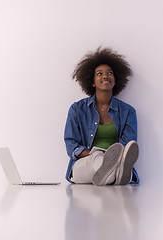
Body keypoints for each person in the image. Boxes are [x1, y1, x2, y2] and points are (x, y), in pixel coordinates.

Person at [64, 47, 139, 186]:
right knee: (97, 160)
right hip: (84, 165)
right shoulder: (77, 109)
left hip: (115, 161)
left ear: (115, 80)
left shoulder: (128, 112)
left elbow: (128, 145)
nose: (105, 76)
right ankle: (119, 175)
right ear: (92, 82)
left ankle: (113, 174)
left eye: (110, 73)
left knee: (108, 173)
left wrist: (114, 157)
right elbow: (71, 145)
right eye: (99, 74)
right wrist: (99, 154)